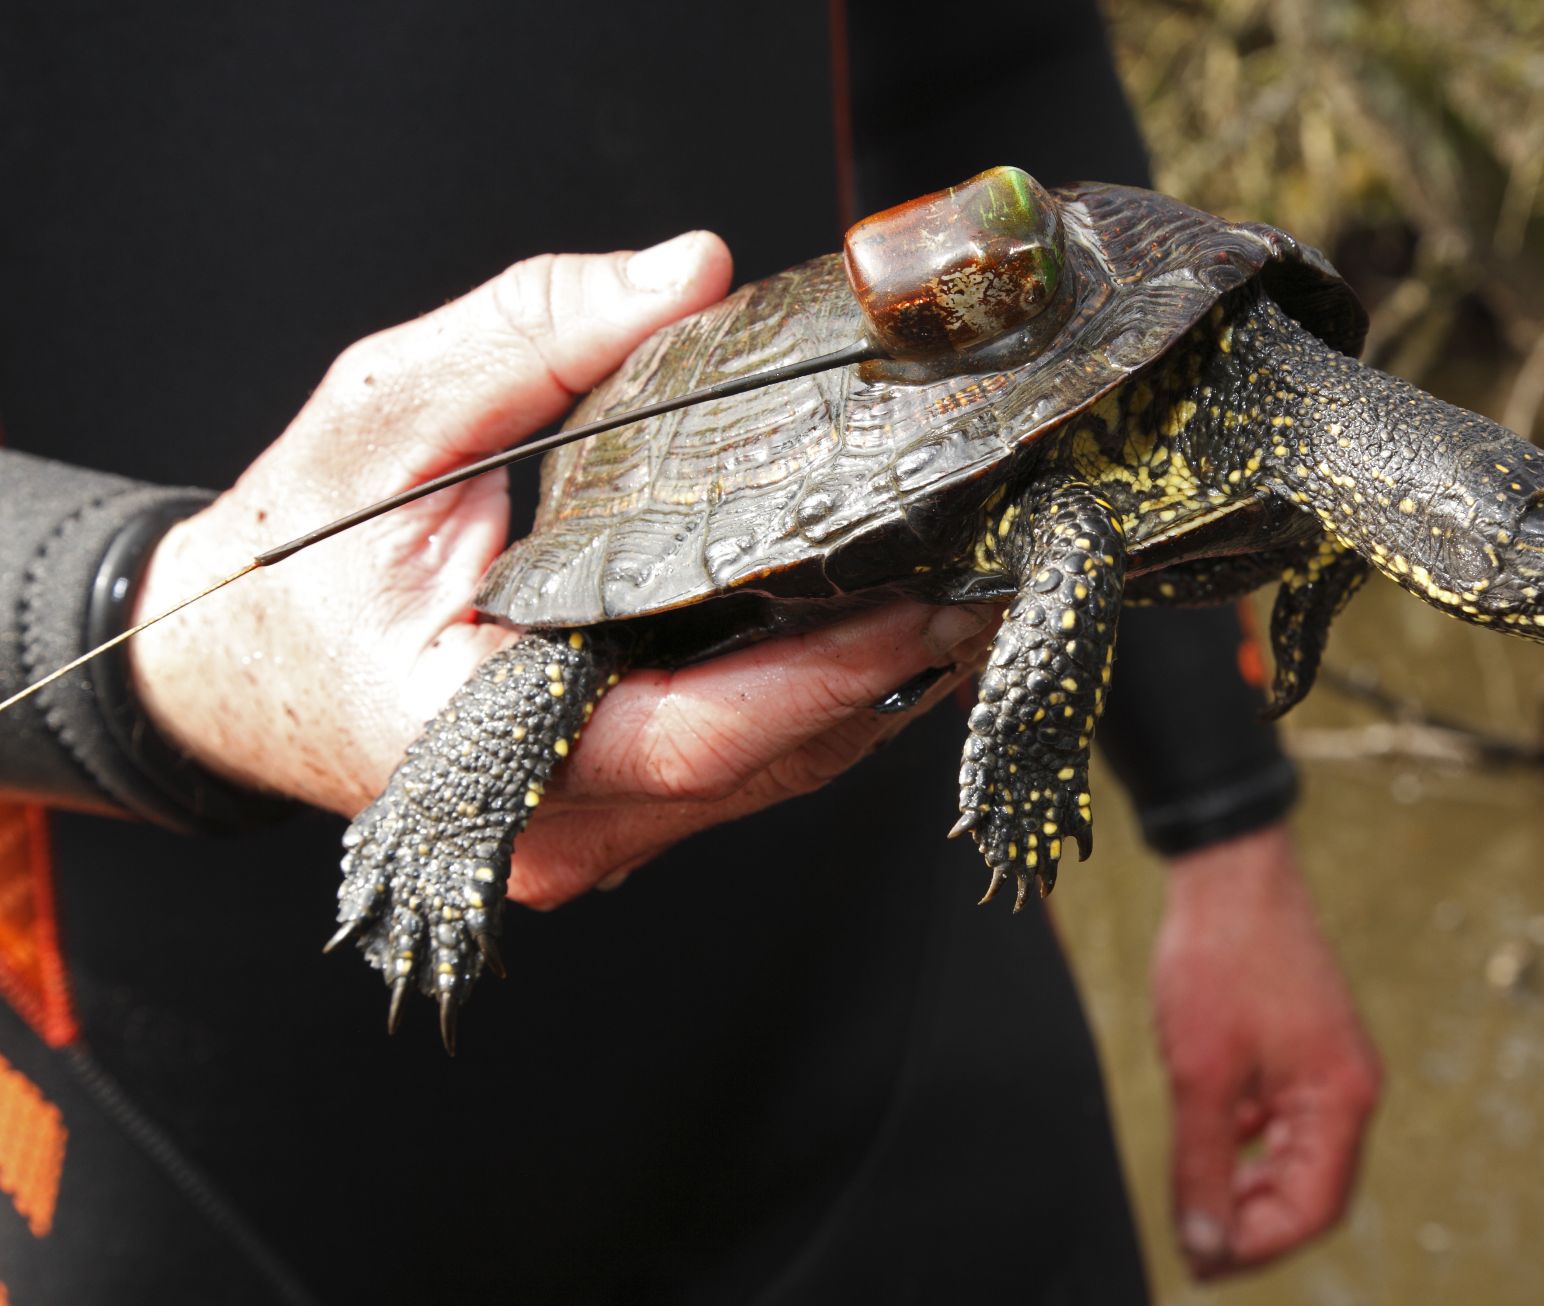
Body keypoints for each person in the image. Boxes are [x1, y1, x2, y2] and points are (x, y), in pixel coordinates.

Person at [0, 3, 1379, 1301]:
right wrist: (130, 609)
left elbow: (990, 67)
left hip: (894, 966)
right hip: (185, 1072)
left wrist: (1224, 821)